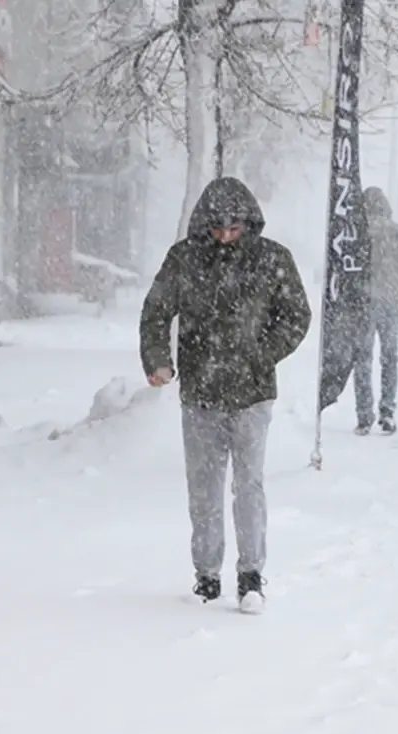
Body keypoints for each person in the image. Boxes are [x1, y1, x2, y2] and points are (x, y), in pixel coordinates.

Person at [139, 177, 312, 612]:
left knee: (248, 485)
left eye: (234, 228)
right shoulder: (184, 260)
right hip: (200, 394)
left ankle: (251, 574)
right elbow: (156, 311)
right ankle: (206, 575)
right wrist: (158, 359)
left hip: (253, 395)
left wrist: (263, 354)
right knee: (204, 488)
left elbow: (297, 314)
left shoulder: (273, 259)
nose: (225, 235)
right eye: (218, 228)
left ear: (248, 222)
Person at [354, 186, 398, 435]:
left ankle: (364, 415)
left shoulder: (358, 233)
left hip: (364, 301)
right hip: (391, 301)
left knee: (362, 359)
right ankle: (388, 410)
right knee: (389, 357)